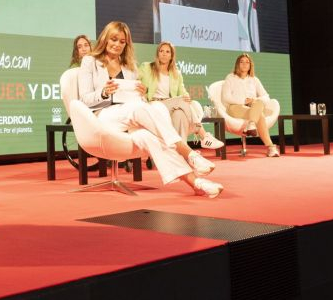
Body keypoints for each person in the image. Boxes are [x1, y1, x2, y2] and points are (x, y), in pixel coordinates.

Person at [78, 22, 224, 198]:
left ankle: (196, 183)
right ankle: (189, 153)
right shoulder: (90, 61)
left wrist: (141, 92)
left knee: (153, 120)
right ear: (105, 38)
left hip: (130, 117)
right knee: (138, 108)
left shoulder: (129, 66)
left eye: (122, 41)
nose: (117, 44)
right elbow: (84, 99)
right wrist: (103, 92)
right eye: (114, 39)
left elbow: (136, 101)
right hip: (103, 117)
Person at [138, 41, 223, 149]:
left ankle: (181, 151)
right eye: (161, 51)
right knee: (181, 101)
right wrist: (141, 89)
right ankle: (203, 135)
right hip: (154, 104)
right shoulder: (147, 67)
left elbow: (182, 91)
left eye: (167, 52)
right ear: (158, 53)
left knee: (180, 114)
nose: (164, 54)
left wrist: (186, 96)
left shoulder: (176, 73)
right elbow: (135, 79)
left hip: (170, 105)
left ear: (171, 56)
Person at [222, 54, 279, 157]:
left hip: (252, 108)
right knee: (259, 115)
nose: (244, 64)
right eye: (242, 62)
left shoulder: (254, 79)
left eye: (247, 62)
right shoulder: (230, 77)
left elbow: (266, 96)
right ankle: (271, 147)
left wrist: (254, 100)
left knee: (259, 103)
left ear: (250, 65)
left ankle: (251, 123)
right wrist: (243, 101)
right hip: (235, 108)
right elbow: (226, 97)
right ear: (237, 64)